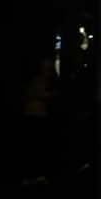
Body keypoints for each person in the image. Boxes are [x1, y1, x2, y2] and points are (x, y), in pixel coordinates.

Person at [21, 57, 59, 186]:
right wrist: (55, 94)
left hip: (36, 116)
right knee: (36, 146)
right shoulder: (39, 81)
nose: (48, 70)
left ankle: (34, 175)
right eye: (47, 68)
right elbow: (40, 94)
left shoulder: (40, 80)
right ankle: (34, 175)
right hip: (35, 117)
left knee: (36, 146)